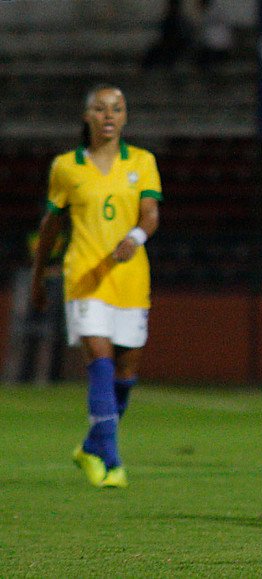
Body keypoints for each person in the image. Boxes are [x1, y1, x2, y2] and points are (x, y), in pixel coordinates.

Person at [30, 84, 162, 489]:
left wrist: (135, 238)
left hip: (130, 277)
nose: (109, 116)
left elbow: (150, 214)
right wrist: (38, 277)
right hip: (83, 277)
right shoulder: (66, 167)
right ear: (87, 116)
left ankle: (91, 447)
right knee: (100, 361)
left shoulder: (142, 161)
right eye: (101, 109)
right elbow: (51, 227)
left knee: (126, 369)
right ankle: (113, 460)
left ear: (125, 118)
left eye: (117, 109)